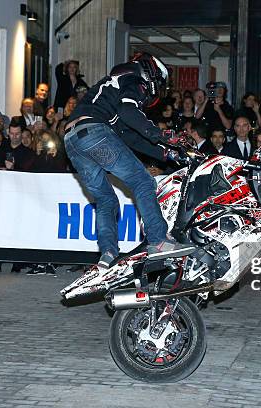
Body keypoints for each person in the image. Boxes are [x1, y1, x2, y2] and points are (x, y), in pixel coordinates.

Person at [63, 52, 195, 268]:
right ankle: (159, 241)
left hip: (72, 141)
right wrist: (163, 135)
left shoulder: (112, 88)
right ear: (151, 73)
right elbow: (129, 111)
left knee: (106, 199)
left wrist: (166, 153)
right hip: (95, 132)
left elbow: (129, 135)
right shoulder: (133, 79)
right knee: (142, 181)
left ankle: (107, 253)